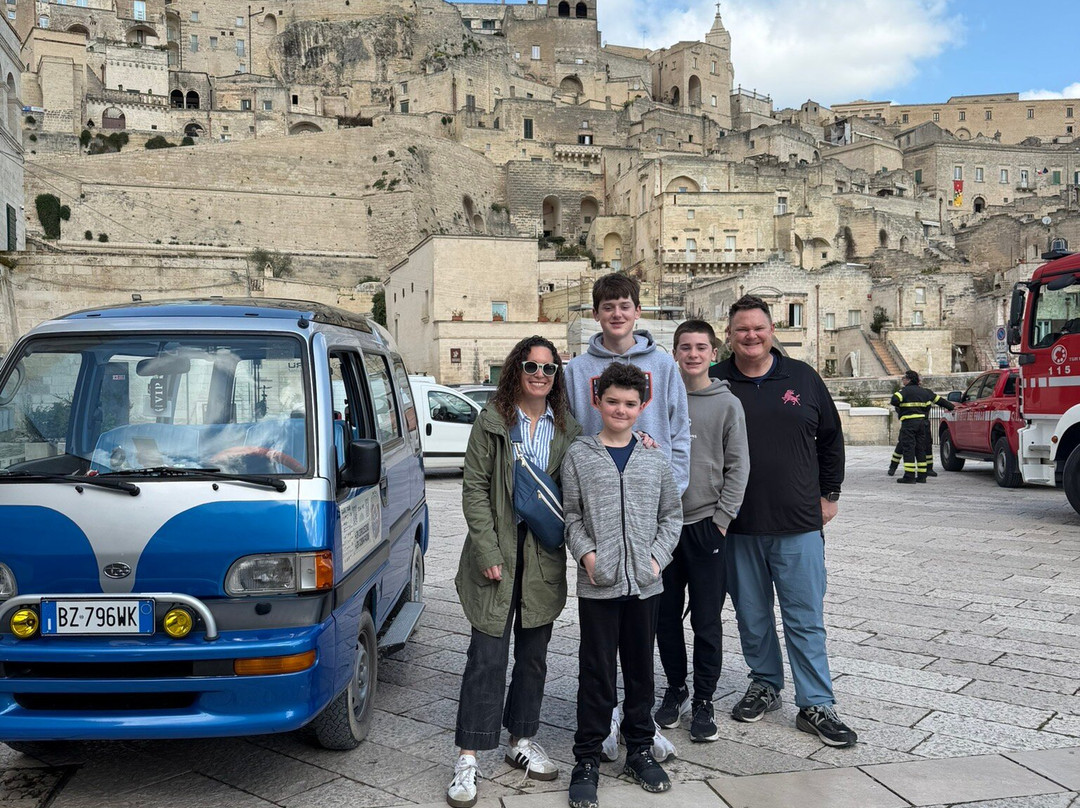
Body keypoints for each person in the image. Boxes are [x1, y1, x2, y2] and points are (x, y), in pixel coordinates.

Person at [708, 295, 857, 748]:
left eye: (758, 328)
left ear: (772, 330)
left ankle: (815, 702)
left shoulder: (804, 378)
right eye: (741, 330)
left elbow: (831, 439)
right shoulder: (714, 381)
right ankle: (766, 683)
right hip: (736, 524)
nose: (750, 336)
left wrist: (829, 496)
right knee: (751, 616)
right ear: (728, 335)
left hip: (797, 523)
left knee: (804, 617)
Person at [448, 336, 582, 808]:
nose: (540, 374)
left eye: (550, 368)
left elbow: (581, 486)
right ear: (516, 369)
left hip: (542, 556)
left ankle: (520, 741)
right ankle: (468, 755)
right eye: (532, 365)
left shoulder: (568, 428)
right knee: (486, 655)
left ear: (557, 376)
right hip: (497, 552)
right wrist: (487, 548)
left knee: (533, 656)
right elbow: (474, 489)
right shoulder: (492, 423)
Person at [563, 363, 683, 808]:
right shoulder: (579, 455)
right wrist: (587, 555)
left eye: (630, 403)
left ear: (642, 406)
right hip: (600, 583)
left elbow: (671, 515)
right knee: (596, 671)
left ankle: (638, 748)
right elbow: (571, 514)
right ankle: (588, 757)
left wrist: (655, 559)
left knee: (639, 669)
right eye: (612, 401)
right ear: (598, 401)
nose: (620, 409)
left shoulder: (654, 458)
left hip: (645, 584)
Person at [654, 320, 749, 742]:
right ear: (674, 352)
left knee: (707, 621)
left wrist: (722, 521)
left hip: (707, 526)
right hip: (665, 529)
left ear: (714, 352)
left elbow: (738, 466)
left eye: (701, 347)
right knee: (665, 618)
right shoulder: (660, 400)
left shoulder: (728, 404)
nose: (693, 354)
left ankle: (705, 698)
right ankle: (676, 689)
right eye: (685, 347)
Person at [564, 272, 690, 494]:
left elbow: (679, 432)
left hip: (653, 490)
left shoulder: (664, 365)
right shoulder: (577, 369)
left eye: (625, 306)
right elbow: (567, 435)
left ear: (637, 311)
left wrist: (674, 490)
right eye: (608, 307)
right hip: (596, 491)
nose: (617, 314)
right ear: (595, 313)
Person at [890, 369, 954, 484]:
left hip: (909, 424)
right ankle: (922, 476)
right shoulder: (925, 392)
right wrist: (952, 407)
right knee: (921, 448)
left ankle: (909, 476)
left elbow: (894, 400)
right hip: (922, 424)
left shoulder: (905, 391)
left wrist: (902, 406)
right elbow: (941, 401)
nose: (902, 381)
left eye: (904, 379)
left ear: (909, 380)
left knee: (908, 448)